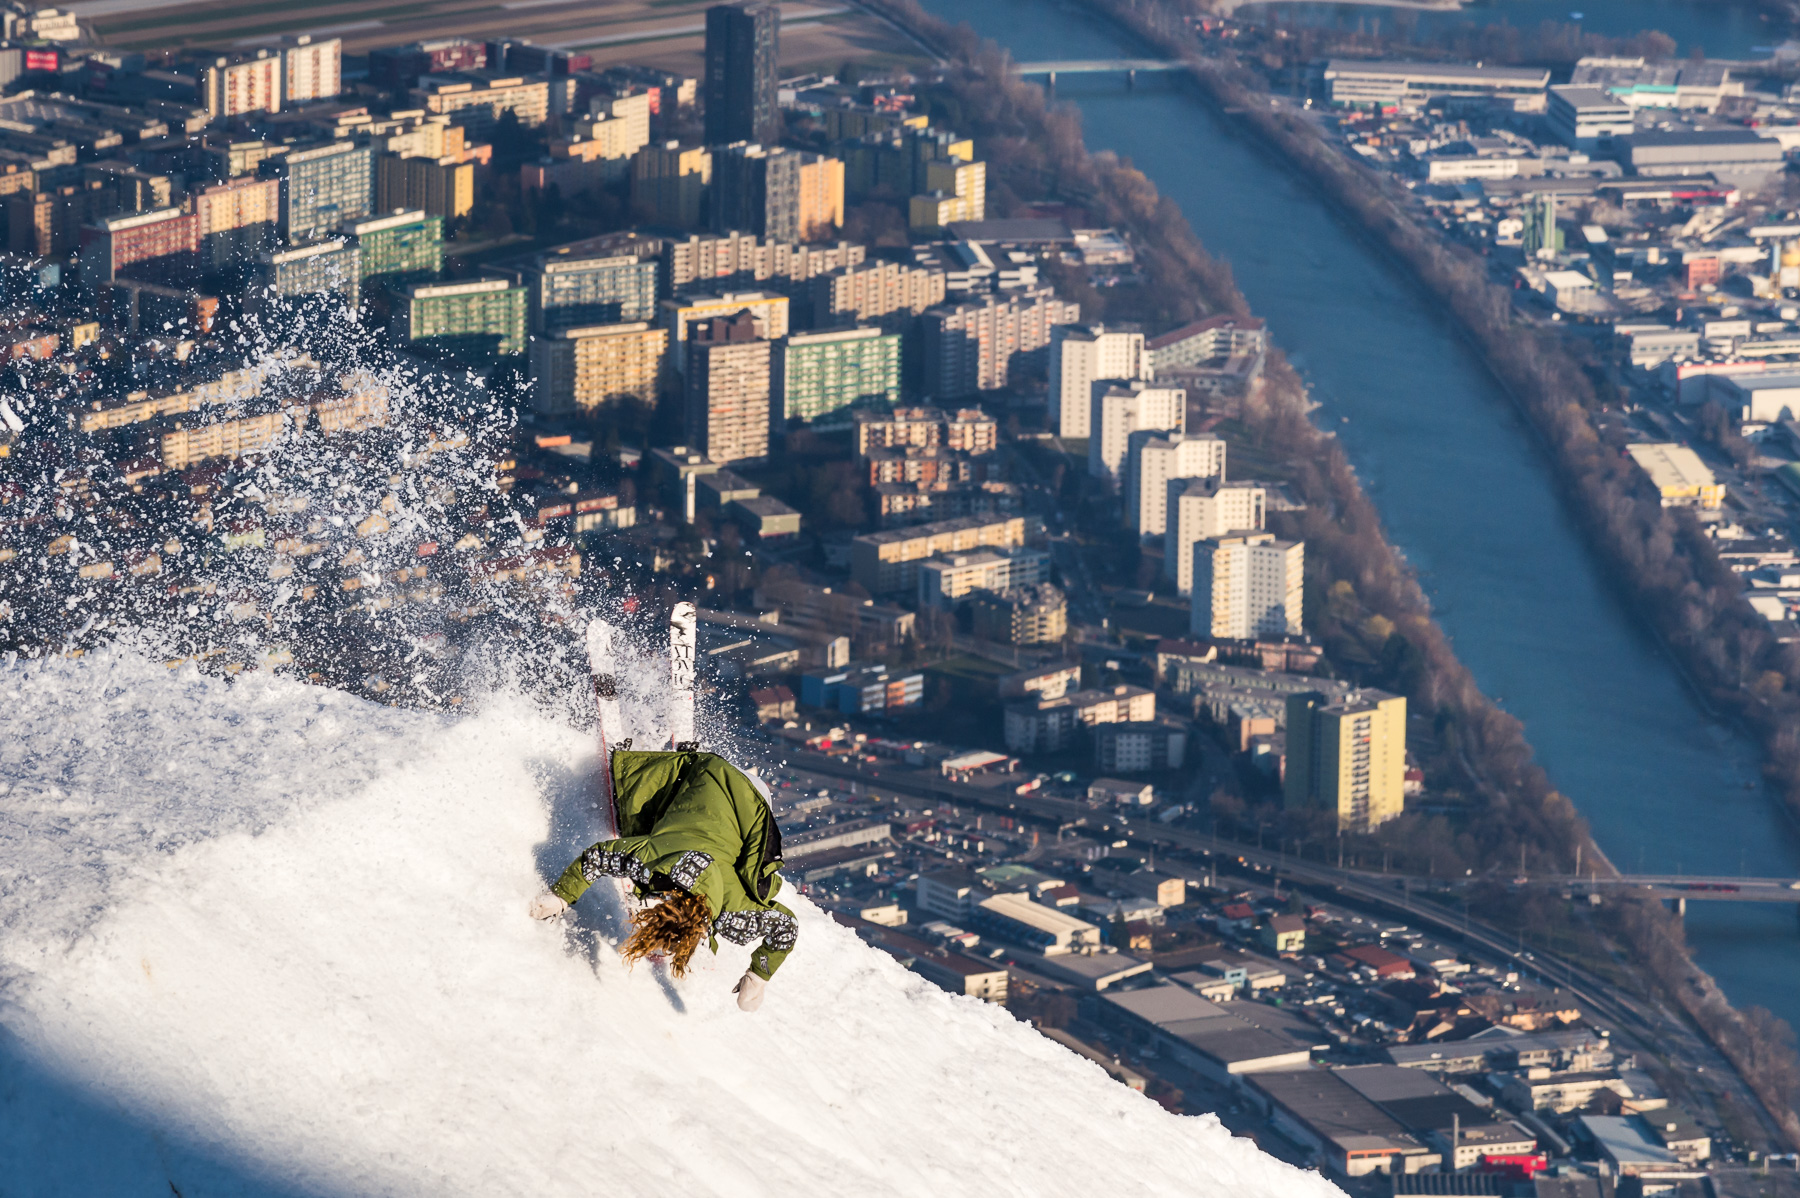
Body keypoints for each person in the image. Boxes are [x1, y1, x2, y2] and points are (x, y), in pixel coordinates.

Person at [529, 747, 796, 1012]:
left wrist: (757, 978)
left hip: (746, 791)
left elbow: (786, 927)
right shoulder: (649, 861)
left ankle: (747, 775)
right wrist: (559, 897)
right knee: (644, 823)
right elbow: (598, 857)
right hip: (725, 783)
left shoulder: (731, 910)